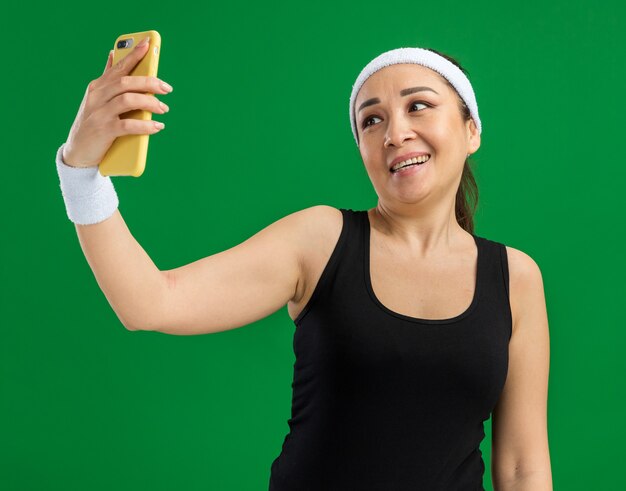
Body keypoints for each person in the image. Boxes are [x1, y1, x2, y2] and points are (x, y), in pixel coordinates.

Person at [55, 40, 552, 490]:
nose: (396, 133)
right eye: (371, 120)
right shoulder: (320, 240)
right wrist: (79, 171)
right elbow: (149, 302)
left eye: (418, 106)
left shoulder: (515, 278)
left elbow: (522, 467)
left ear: (471, 131)